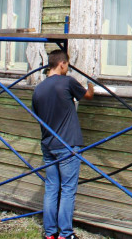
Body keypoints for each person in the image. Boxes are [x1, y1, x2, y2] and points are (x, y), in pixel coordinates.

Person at [32, 49, 94, 239]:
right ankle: (65, 234)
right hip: (68, 144)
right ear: (62, 64)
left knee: (51, 188)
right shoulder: (66, 82)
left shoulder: (38, 89)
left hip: (48, 145)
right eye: (67, 65)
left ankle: (50, 233)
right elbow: (88, 96)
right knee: (67, 189)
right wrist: (91, 83)